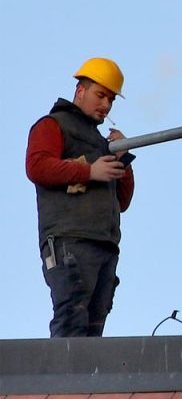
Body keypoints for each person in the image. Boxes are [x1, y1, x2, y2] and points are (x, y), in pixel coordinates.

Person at [25, 58, 136, 337]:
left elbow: (121, 202)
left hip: (104, 244)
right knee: (72, 315)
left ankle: (84, 381)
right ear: (80, 91)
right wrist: (89, 170)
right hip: (70, 240)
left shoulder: (102, 143)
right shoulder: (53, 125)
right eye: (100, 95)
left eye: (111, 99)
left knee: (94, 326)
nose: (106, 105)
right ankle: (64, 381)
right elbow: (36, 166)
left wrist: (124, 158)